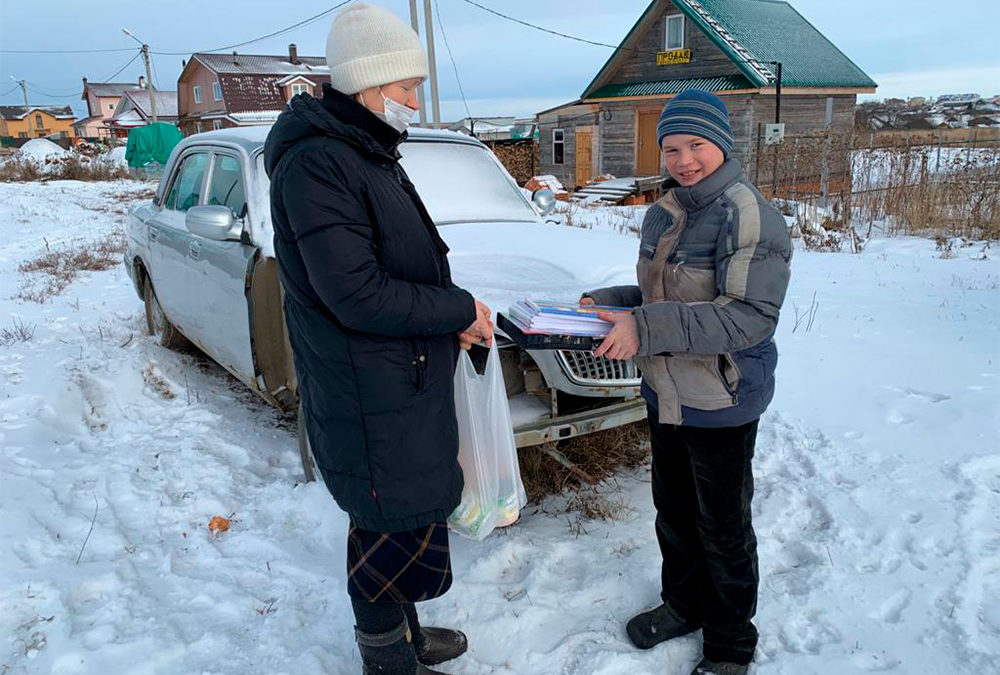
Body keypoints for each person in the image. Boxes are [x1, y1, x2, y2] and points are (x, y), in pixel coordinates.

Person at [263, 4, 493, 674]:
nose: (415, 101)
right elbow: (357, 292)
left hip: (397, 375)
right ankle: (386, 658)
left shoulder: (363, 150)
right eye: (409, 87)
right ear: (371, 83)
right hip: (366, 386)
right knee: (382, 525)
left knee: (403, 514)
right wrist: (454, 308)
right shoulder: (318, 166)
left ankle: (406, 634)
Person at [581, 89, 792, 675]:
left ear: (721, 143)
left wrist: (642, 325)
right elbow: (660, 297)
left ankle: (730, 642)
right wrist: (604, 306)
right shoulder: (664, 210)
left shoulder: (747, 214)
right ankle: (684, 604)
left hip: (720, 396)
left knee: (722, 525)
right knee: (672, 509)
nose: (683, 159)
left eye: (695, 145)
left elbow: (749, 317)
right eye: (671, 148)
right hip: (667, 391)